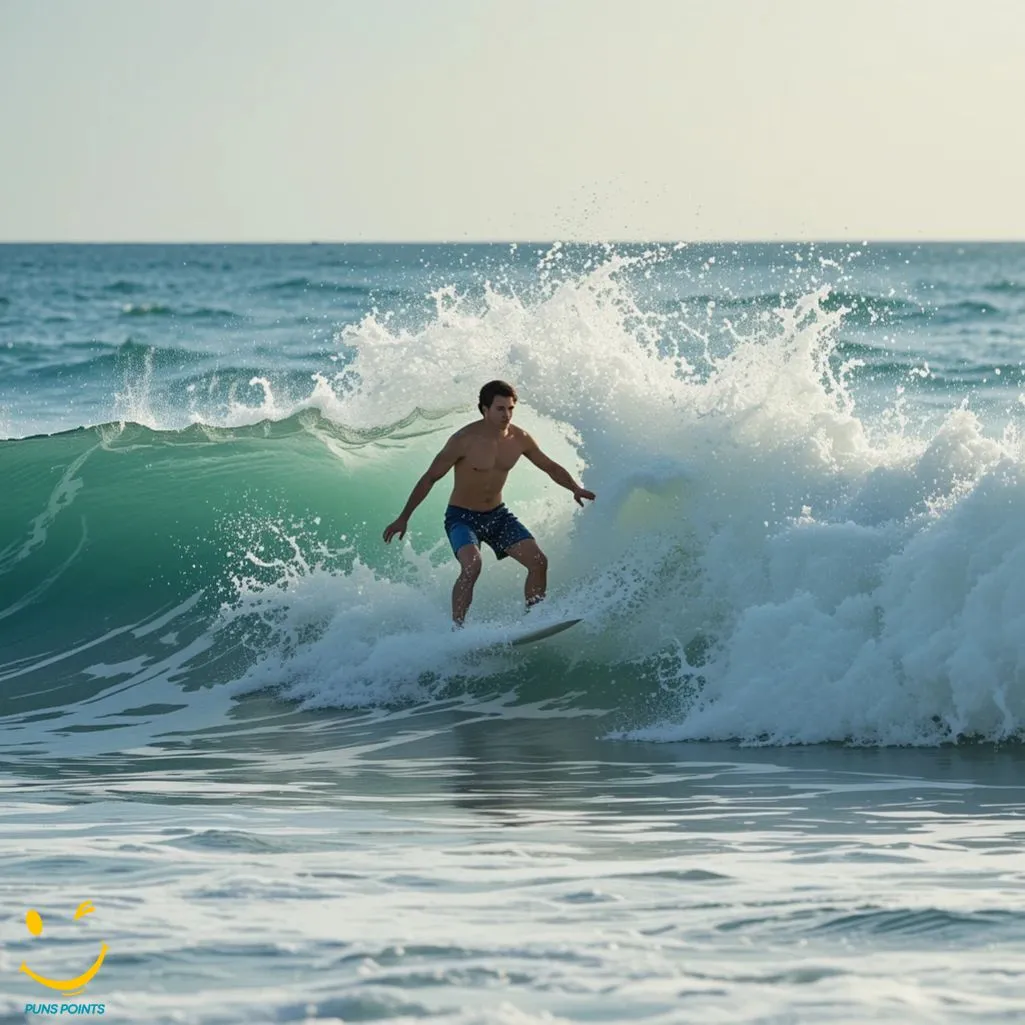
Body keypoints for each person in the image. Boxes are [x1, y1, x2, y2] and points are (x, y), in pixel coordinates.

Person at [382, 380, 596, 625]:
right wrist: (404, 517)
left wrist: (575, 488)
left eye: (511, 408)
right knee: (472, 566)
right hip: (462, 518)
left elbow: (549, 466)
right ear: (484, 409)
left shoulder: (520, 438)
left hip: (497, 515)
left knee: (538, 562)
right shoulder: (463, 440)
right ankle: (457, 629)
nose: (507, 415)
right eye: (500, 409)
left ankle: (535, 619)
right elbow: (430, 478)